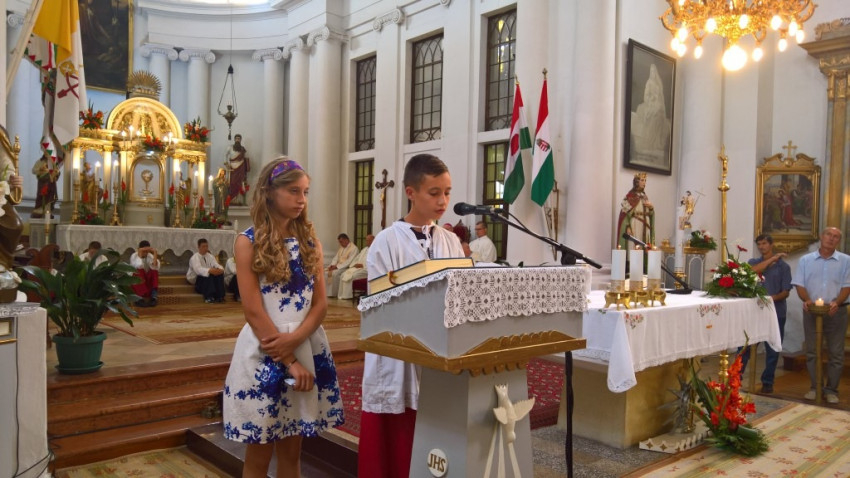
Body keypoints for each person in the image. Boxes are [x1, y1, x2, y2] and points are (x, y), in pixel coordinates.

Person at [222, 157, 344, 477]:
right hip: (265, 350)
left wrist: (296, 341)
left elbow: (320, 305)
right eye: (293, 191)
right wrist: (289, 358)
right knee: (259, 455)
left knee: (292, 452)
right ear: (269, 192)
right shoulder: (247, 242)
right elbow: (253, 310)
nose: (301, 200)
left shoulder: (310, 244)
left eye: (305, 192)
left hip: (304, 345)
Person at [359, 153, 464, 478]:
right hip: (400, 356)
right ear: (410, 193)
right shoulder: (386, 242)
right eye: (434, 193)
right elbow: (380, 304)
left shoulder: (450, 241)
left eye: (447, 192)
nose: (443, 201)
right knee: (398, 445)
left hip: (440, 354)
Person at [792, 227, 850, 404]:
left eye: (835, 237)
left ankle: (831, 389)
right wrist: (807, 299)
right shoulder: (806, 260)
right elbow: (799, 284)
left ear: (838, 241)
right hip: (812, 312)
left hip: (836, 311)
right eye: (828, 235)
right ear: (821, 236)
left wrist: (837, 302)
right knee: (812, 351)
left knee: (836, 353)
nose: (831, 239)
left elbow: (847, 285)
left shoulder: (846, 260)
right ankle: (815, 387)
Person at [740, 234, 792, 394]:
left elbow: (785, 292)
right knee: (744, 347)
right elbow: (751, 272)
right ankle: (736, 377)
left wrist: (769, 299)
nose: (762, 247)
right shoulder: (753, 262)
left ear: (771, 244)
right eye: (759, 244)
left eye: (764, 243)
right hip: (754, 312)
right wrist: (772, 259)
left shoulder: (784, 267)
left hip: (775, 312)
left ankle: (768, 381)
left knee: (772, 349)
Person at [616, 172, 654, 250]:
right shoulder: (631, 196)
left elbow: (649, 213)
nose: (644, 182)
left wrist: (651, 208)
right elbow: (625, 214)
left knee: (644, 247)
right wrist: (627, 227)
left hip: (645, 225)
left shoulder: (645, 196)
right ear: (636, 182)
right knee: (635, 247)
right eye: (642, 180)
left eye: (645, 180)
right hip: (636, 225)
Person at [187, 238, 226, 303]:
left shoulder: (210, 256)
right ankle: (208, 297)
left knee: (219, 274)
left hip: (209, 277)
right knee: (207, 275)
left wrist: (221, 269)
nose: (205, 248)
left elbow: (216, 265)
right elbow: (198, 270)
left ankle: (220, 296)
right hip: (197, 280)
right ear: (198, 247)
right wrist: (209, 270)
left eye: (206, 246)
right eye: (203, 246)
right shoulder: (195, 258)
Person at [337, 234, 374, 300]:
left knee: (353, 276)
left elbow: (373, 262)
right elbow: (357, 258)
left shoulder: (375, 250)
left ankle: (349, 295)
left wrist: (363, 265)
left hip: (366, 270)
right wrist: (354, 264)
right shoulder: (364, 249)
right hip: (358, 268)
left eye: (369, 240)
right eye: (366, 240)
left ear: (373, 240)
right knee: (343, 274)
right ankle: (342, 295)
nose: (367, 242)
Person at [325, 233, 358, 298]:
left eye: (341, 242)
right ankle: (328, 293)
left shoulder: (354, 249)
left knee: (335, 273)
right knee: (326, 272)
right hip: (338, 266)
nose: (340, 243)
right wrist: (332, 265)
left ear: (346, 240)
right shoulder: (341, 248)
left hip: (346, 267)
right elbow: (336, 258)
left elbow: (349, 261)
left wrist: (337, 267)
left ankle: (335, 293)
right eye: (339, 242)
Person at [130, 240, 159, 307]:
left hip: (146, 281)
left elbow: (155, 266)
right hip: (136, 281)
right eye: (144, 251)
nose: (146, 253)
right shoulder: (134, 256)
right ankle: (139, 299)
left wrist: (155, 253)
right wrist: (140, 253)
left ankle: (154, 297)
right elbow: (139, 266)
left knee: (154, 271)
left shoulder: (150, 256)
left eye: (147, 251)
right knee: (139, 271)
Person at [32, 151, 59, 217]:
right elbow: (33, 170)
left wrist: (55, 173)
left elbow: (57, 172)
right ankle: (39, 209)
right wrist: (40, 169)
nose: (47, 154)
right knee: (41, 196)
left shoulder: (53, 162)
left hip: (51, 183)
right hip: (42, 182)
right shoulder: (40, 162)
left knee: (51, 196)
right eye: (46, 152)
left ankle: (48, 210)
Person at [226, 134, 250, 205]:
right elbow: (226, 155)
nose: (237, 140)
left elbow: (244, 158)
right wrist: (226, 163)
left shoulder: (242, 149)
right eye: (236, 139)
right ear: (234, 139)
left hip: (241, 168)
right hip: (232, 168)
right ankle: (232, 200)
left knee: (240, 183)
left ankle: (238, 200)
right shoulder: (230, 147)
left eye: (239, 139)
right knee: (233, 182)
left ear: (240, 140)